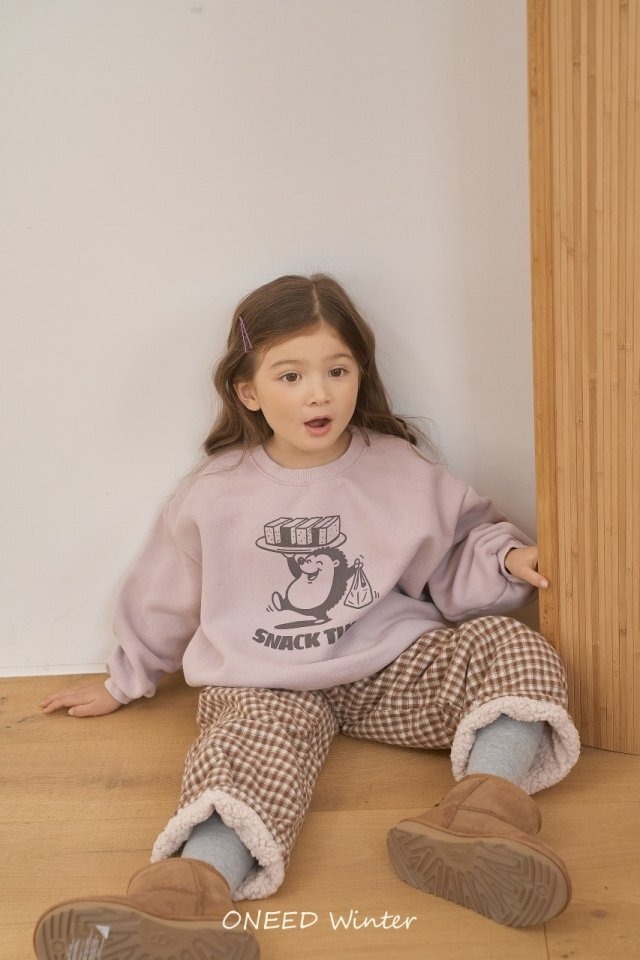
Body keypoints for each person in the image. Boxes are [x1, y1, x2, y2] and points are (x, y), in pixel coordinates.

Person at [34, 274, 580, 960]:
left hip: (385, 670)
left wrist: (507, 561)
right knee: (239, 755)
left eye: (337, 371)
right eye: (291, 376)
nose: (319, 393)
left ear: (359, 376)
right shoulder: (214, 493)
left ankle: (484, 817)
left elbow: (457, 549)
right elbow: (163, 595)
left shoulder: (399, 468)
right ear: (249, 392)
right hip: (265, 685)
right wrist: (125, 679)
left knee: (510, 646)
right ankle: (183, 899)